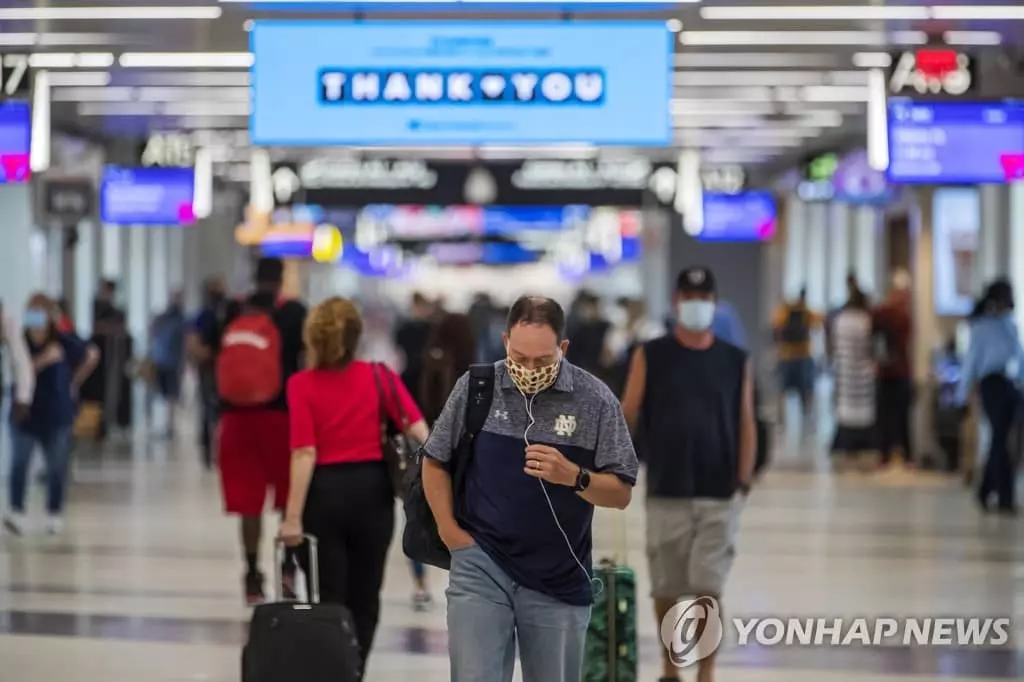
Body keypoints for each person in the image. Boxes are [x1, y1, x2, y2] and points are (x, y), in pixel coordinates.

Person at [420, 295, 638, 682]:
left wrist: (574, 476)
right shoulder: (477, 387)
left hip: (558, 576)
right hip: (481, 564)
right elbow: (435, 459)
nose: (529, 369)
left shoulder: (595, 400)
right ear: (505, 342)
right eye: (519, 358)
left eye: (541, 360)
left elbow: (620, 492)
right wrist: (451, 534)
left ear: (563, 348)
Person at [621, 267, 756, 682]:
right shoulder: (652, 354)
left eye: (703, 296)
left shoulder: (735, 360)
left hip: (718, 490)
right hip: (667, 486)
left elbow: (745, 420)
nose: (696, 303)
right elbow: (628, 412)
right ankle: (670, 664)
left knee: (707, 587)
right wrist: (617, 463)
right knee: (666, 588)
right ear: (677, 301)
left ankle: (706, 672)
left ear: (714, 303)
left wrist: (743, 479)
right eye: (688, 296)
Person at [279, 297, 429, 672]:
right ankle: (355, 667)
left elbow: (303, 454)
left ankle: (334, 670)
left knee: (329, 595)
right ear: (357, 335)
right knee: (366, 594)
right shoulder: (380, 376)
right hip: (373, 493)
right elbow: (421, 432)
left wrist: (292, 518)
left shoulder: (301, 385)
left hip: (322, 496)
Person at [205, 257, 307, 603]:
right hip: (281, 419)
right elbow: (308, 363)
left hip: (235, 421)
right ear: (280, 280)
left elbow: (205, 352)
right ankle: (288, 571)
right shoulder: (294, 313)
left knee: (249, 503)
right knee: (287, 501)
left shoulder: (233, 310)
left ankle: (251, 575)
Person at [4, 294, 98, 536]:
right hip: (25, 412)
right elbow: (22, 368)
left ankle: (53, 512)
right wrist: (44, 360)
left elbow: (91, 354)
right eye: (31, 311)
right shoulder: (20, 339)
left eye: (40, 311)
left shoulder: (64, 342)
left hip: (56, 414)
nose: (35, 318)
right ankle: (16, 511)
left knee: (57, 466)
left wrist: (74, 382)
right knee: (19, 463)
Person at [414, 311, 477, 610]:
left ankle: (420, 583)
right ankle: (465, 579)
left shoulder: (421, 365)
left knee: (419, 519)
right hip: (465, 462)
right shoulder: (476, 376)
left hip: (426, 455)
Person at [956, 279, 1024, 514]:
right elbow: (971, 363)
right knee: (999, 440)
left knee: (1008, 442)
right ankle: (992, 492)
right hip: (991, 385)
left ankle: (995, 492)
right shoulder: (981, 327)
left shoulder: (1009, 325)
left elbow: (1019, 357)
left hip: (1009, 384)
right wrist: (961, 396)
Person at [829, 288, 878, 468]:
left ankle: (845, 450)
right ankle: (863, 450)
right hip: (863, 374)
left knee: (846, 412)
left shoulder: (840, 320)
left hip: (844, 372)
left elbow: (834, 346)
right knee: (863, 413)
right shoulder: (866, 321)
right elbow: (872, 348)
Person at [872, 270, 914, 468]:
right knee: (886, 416)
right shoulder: (885, 315)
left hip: (901, 374)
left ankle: (903, 453)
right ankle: (885, 452)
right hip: (887, 374)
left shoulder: (902, 317)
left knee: (902, 417)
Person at [187, 277, 229, 469]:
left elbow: (193, 340)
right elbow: (193, 340)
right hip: (212, 366)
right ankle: (210, 450)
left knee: (212, 409)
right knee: (210, 409)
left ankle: (215, 450)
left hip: (217, 366)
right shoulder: (208, 314)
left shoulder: (213, 313)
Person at [772, 287, 821, 423]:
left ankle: (804, 417)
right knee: (794, 390)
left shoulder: (791, 312)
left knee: (798, 390)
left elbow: (776, 330)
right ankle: (788, 417)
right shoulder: (794, 311)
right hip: (794, 355)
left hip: (794, 355)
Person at [150, 291, 188, 438]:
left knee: (169, 395)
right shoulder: (177, 319)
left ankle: (169, 426)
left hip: (166, 360)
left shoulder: (166, 319)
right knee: (169, 395)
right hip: (169, 361)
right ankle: (168, 426)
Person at [394, 292, 435, 395]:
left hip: (411, 370)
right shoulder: (431, 328)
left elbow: (398, 349)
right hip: (423, 374)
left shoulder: (404, 328)